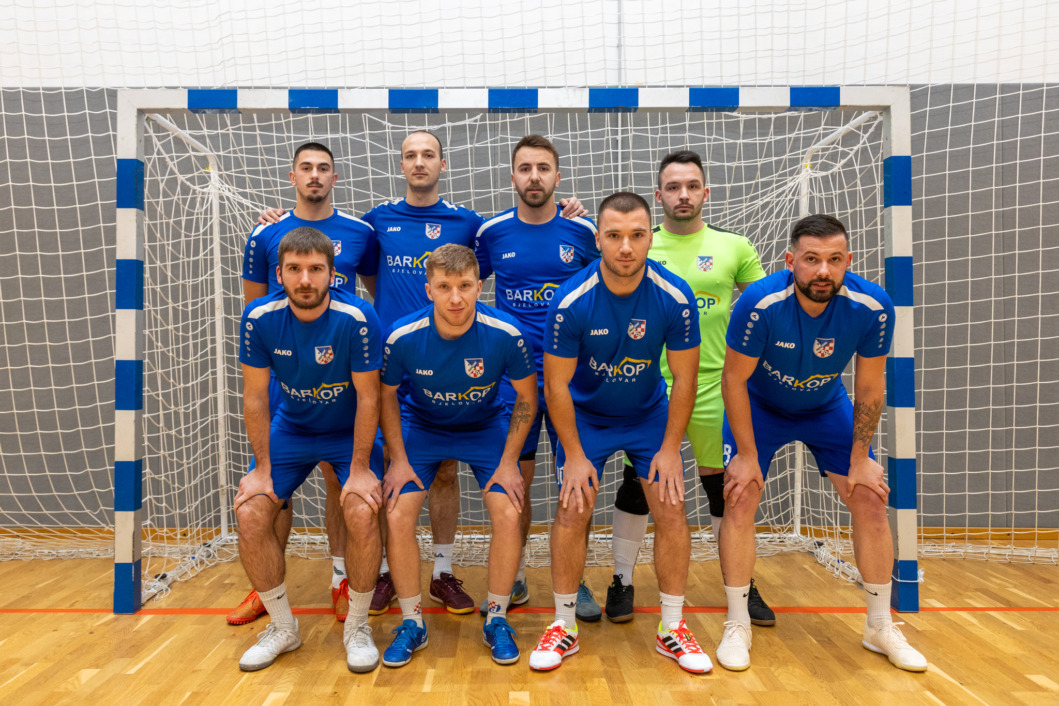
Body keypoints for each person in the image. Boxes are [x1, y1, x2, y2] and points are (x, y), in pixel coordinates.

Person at [715, 214, 927, 672]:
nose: (823, 271)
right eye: (811, 259)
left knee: (869, 497)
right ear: (790, 261)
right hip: (760, 407)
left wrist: (860, 459)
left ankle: (879, 626)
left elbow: (869, 387)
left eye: (834, 260)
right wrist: (747, 456)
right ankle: (737, 623)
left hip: (825, 407)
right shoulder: (759, 303)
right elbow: (733, 380)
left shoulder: (872, 306)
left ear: (849, 260)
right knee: (740, 495)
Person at [529, 192, 711, 674]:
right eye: (614, 236)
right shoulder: (571, 301)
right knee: (573, 508)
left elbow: (686, 379)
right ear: (598, 239)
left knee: (671, 506)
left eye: (636, 235)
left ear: (652, 237)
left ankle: (672, 627)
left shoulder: (675, 296)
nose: (625, 247)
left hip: (647, 415)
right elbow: (556, 385)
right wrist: (573, 454)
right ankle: (563, 625)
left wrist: (670, 448)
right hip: (586, 418)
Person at [607, 150, 776, 626]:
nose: (683, 195)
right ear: (658, 195)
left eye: (692, 186)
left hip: (713, 388)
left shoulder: (734, 247)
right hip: (650, 389)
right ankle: (621, 580)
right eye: (673, 187)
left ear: (706, 192)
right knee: (639, 485)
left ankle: (741, 585)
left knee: (724, 488)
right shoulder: (639, 243)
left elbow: (768, 308)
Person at [231, 142, 376, 626]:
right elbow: (256, 306)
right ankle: (267, 589)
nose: (315, 175)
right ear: (292, 176)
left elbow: (373, 293)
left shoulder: (360, 232)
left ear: (336, 176)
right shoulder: (265, 232)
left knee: (343, 484)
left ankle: (341, 579)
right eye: (306, 168)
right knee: (272, 491)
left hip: (341, 373)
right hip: (287, 377)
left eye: (323, 168)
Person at [234, 227, 386, 673]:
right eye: (295, 269)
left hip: (348, 432)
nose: (305, 279)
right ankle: (283, 628)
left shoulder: (357, 316)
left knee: (361, 510)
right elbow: (255, 397)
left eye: (316, 269)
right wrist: (262, 469)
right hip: (293, 429)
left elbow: (370, 398)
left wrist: (360, 467)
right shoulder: (259, 317)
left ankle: (357, 627)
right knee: (250, 511)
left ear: (332, 274)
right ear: (279, 273)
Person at [378, 244, 537, 667]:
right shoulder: (402, 335)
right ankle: (412, 623)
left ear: (479, 287)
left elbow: (526, 397)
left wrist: (509, 461)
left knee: (509, 512)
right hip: (423, 428)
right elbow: (386, 396)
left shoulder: (506, 333)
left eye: (465, 286)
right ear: (428, 289)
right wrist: (398, 460)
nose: (455, 298)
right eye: (444, 287)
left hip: (484, 428)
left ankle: (497, 618)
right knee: (397, 513)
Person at [474, 134, 602, 620]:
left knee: (577, 482)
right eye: (525, 168)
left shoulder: (583, 231)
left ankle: (576, 578)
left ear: (557, 177)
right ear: (513, 177)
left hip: (572, 379)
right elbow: (462, 286)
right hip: (516, 381)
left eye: (543, 168)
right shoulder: (491, 233)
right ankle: (518, 571)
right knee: (517, 481)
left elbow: (609, 290)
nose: (534, 177)